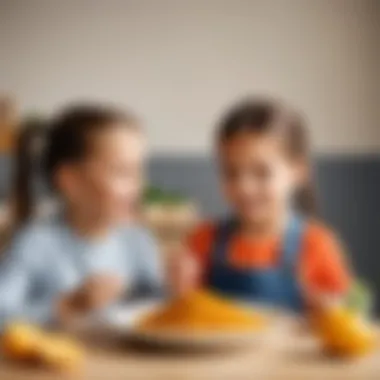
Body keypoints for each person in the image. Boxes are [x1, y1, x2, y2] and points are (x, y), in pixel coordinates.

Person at [170, 97, 351, 312]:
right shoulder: (202, 241)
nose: (244, 187)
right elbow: (184, 314)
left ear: (298, 171)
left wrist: (329, 309)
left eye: (261, 172)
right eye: (231, 173)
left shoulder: (317, 245)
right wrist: (179, 289)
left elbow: (344, 318)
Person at [0, 104, 163, 329]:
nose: (138, 186)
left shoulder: (137, 241)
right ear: (71, 181)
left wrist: (177, 287)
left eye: (138, 172)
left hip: (124, 362)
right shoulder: (35, 243)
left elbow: (155, 306)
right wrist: (67, 306)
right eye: (122, 172)